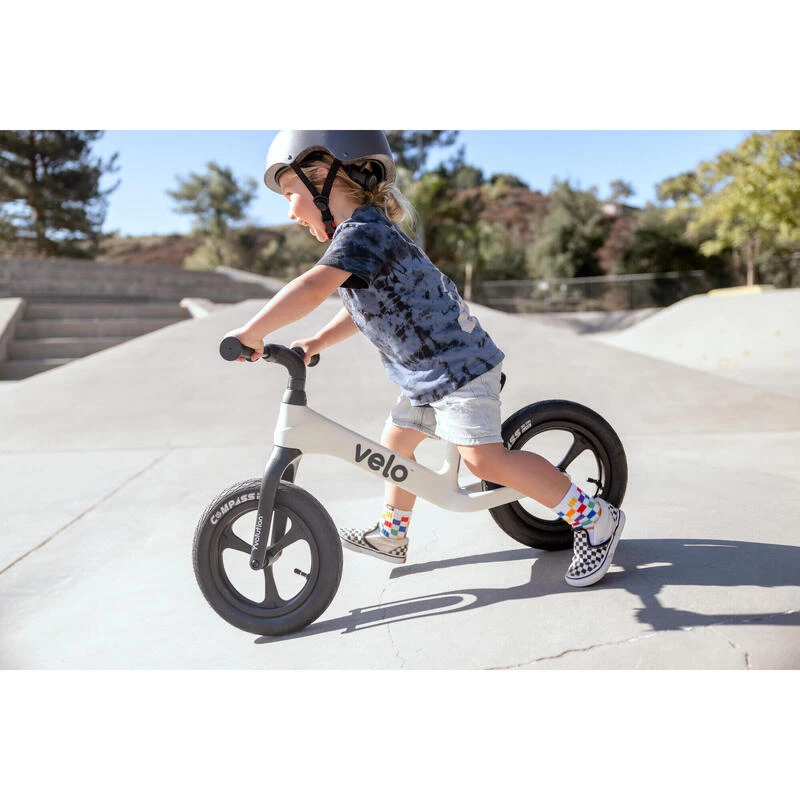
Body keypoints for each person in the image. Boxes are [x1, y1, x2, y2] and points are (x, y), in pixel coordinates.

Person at [225, 130, 625, 588]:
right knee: (396, 443)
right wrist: (315, 341)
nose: (290, 212)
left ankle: (596, 519)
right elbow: (358, 311)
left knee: (484, 461)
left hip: (459, 370)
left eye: (290, 194)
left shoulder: (363, 232)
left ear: (323, 179)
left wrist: (251, 332)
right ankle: (392, 535)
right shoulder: (364, 238)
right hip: (427, 376)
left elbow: (313, 287)